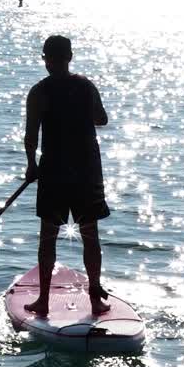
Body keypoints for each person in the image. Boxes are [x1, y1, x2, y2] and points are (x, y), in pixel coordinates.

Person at [23, 34, 110, 316]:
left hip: (55, 170)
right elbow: (102, 119)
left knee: (48, 236)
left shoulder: (39, 92)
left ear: (46, 59)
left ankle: (44, 300)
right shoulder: (85, 86)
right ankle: (95, 298)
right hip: (86, 169)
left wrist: (30, 165)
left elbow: (30, 136)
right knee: (89, 234)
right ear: (69, 57)